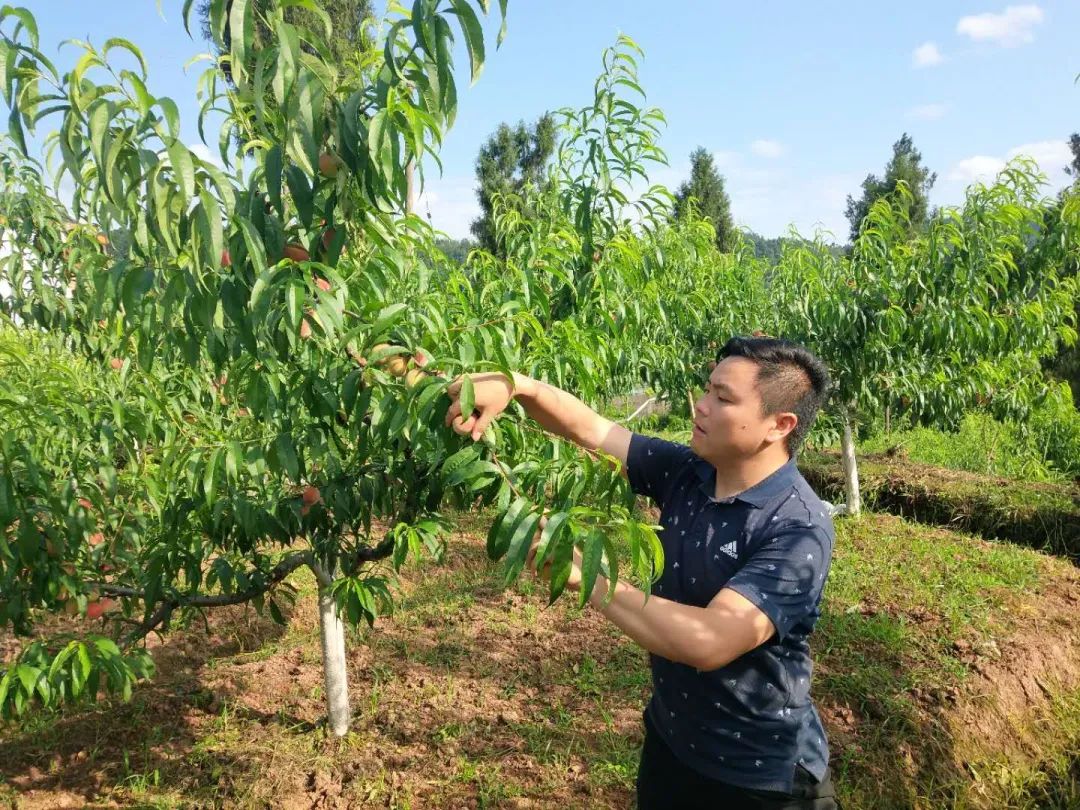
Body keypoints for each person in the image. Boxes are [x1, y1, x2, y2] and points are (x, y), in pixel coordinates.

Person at [445, 335, 839, 810]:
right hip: (673, 743)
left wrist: (586, 576)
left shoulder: (798, 526)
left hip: (761, 775)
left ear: (780, 425)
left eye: (723, 397)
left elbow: (710, 640)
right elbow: (593, 430)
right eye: (707, 389)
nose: (702, 405)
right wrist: (518, 387)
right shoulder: (691, 472)